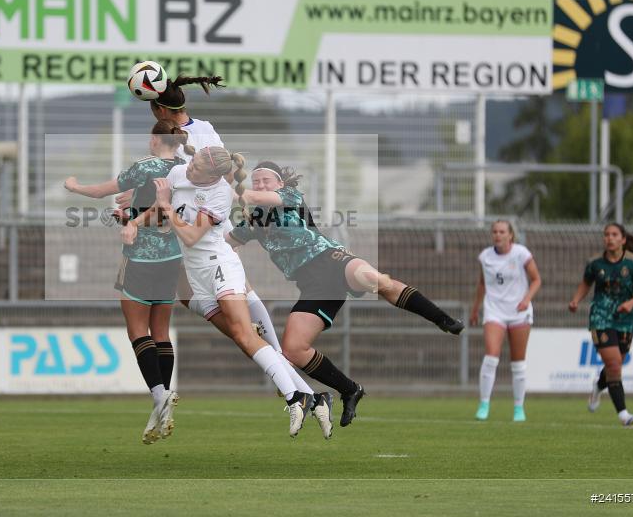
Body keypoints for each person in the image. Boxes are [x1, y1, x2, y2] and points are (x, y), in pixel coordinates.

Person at [227, 161, 465, 428]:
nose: (259, 184)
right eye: (256, 180)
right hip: (313, 285)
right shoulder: (253, 221)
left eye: (265, 180)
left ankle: (442, 319)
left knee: (374, 279)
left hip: (332, 259)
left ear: (280, 184)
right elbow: (224, 244)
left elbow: (253, 196)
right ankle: (350, 390)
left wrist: (227, 184)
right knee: (293, 348)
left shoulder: (289, 196)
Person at [148, 146, 328, 438]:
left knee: (246, 336)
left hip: (220, 267)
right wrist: (137, 218)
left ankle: (297, 397)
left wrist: (165, 205)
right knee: (233, 329)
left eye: (197, 167)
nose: (190, 168)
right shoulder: (178, 172)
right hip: (197, 274)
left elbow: (192, 236)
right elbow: (162, 215)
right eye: (192, 162)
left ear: (214, 175)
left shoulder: (219, 193)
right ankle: (309, 395)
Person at [65, 120, 184, 444]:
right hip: (172, 256)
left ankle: (159, 396)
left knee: (137, 331)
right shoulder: (184, 168)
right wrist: (130, 214)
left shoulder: (144, 167)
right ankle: (163, 398)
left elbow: (102, 191)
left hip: (141, 257)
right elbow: (164, 208)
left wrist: (75, 186)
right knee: (161, 332)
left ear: (153, 140)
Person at [568, 223, 633, 426]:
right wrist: (576, 300)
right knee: (614, 364)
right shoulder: (595, 263)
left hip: (625, 320)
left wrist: (631, 303)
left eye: (614, 235)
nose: (609, 238)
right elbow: (586, 282)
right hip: (601, 317)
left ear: (623, 239)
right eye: (606, 235)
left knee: (615, 364)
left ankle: (598, 387)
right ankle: (623, 414)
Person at [469, 220, 542, 422]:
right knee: (491, 356)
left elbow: (536, 279)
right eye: (495, 231)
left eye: (502, 231)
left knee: (518, 363)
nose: (498, 235)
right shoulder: (485, 256)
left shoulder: (521, 253)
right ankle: (484, 404)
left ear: (511, 235)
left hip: (519, 312)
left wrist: (526, 299)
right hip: (494, 311)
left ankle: (518, 408)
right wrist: (475, 309)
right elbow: (482, 283)